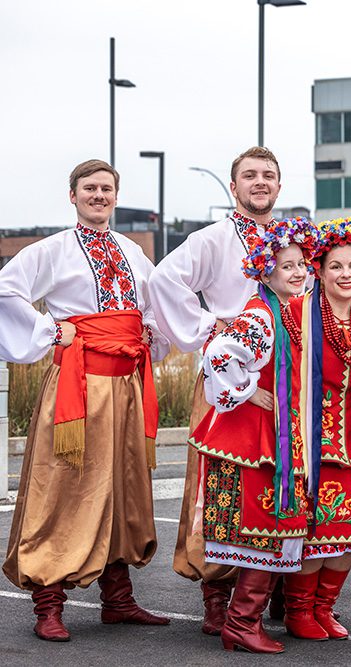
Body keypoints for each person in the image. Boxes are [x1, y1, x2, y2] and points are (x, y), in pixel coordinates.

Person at [1, 159, 170, 641]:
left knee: (123, 485)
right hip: (77, 385)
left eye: (107, 189)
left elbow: (157, 307)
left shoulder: (133, 252)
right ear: (72, 195)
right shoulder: (50, 251)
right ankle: (48, 602)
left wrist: (150, 335)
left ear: (116, 197)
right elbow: (5, 290)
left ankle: (117, 599)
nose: (99, 195)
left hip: (127, 387)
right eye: (89, 188)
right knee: (62, 487)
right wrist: (52, 330)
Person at [148, 145, 281, 635]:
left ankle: (274, 589)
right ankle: (216, 594)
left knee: (277, 481)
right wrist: (211, 325)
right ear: (234, 185)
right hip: (228, 376)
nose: (259, 182)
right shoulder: (213, 239)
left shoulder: (292, 240)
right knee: (220, 484)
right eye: (250, 175)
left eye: (268, 175)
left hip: (281, 380)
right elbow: (164, 279)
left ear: (279, 186)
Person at [189, 217, 317, 653]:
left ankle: (242, 620)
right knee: (266, 523)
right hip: (254, 441)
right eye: (287, 267)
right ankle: (241, 623)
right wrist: (248, 392)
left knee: (273, 523)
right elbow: (219, 353)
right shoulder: (261, 315)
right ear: (265, 271)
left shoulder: (283, 308)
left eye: (301, 264)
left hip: (270, 437)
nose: (298, 272)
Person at [280, 218, 351, 641]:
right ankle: (298, 610)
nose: (346, 275)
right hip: (311, 442)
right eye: (336, 266)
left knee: (349, 532)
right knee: (313, 532)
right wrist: (255, 395)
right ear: (318, 270)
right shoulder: (295, 312)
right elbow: (268, 362)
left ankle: (325, 606)